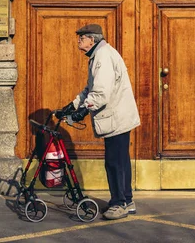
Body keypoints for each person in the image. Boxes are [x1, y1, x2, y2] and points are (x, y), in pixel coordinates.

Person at [56, 23, 140, 220]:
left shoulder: (102, 57)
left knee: (114, 162)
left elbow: (101, 92)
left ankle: (119, 204)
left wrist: (83, 111)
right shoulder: (100, 55)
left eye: (81, 37)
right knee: (120, 161)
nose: (79, 40)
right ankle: (127, 200)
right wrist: (73, 105)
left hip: (116, 117)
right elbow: (90, 87)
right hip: (118, 116)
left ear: (92, 40)